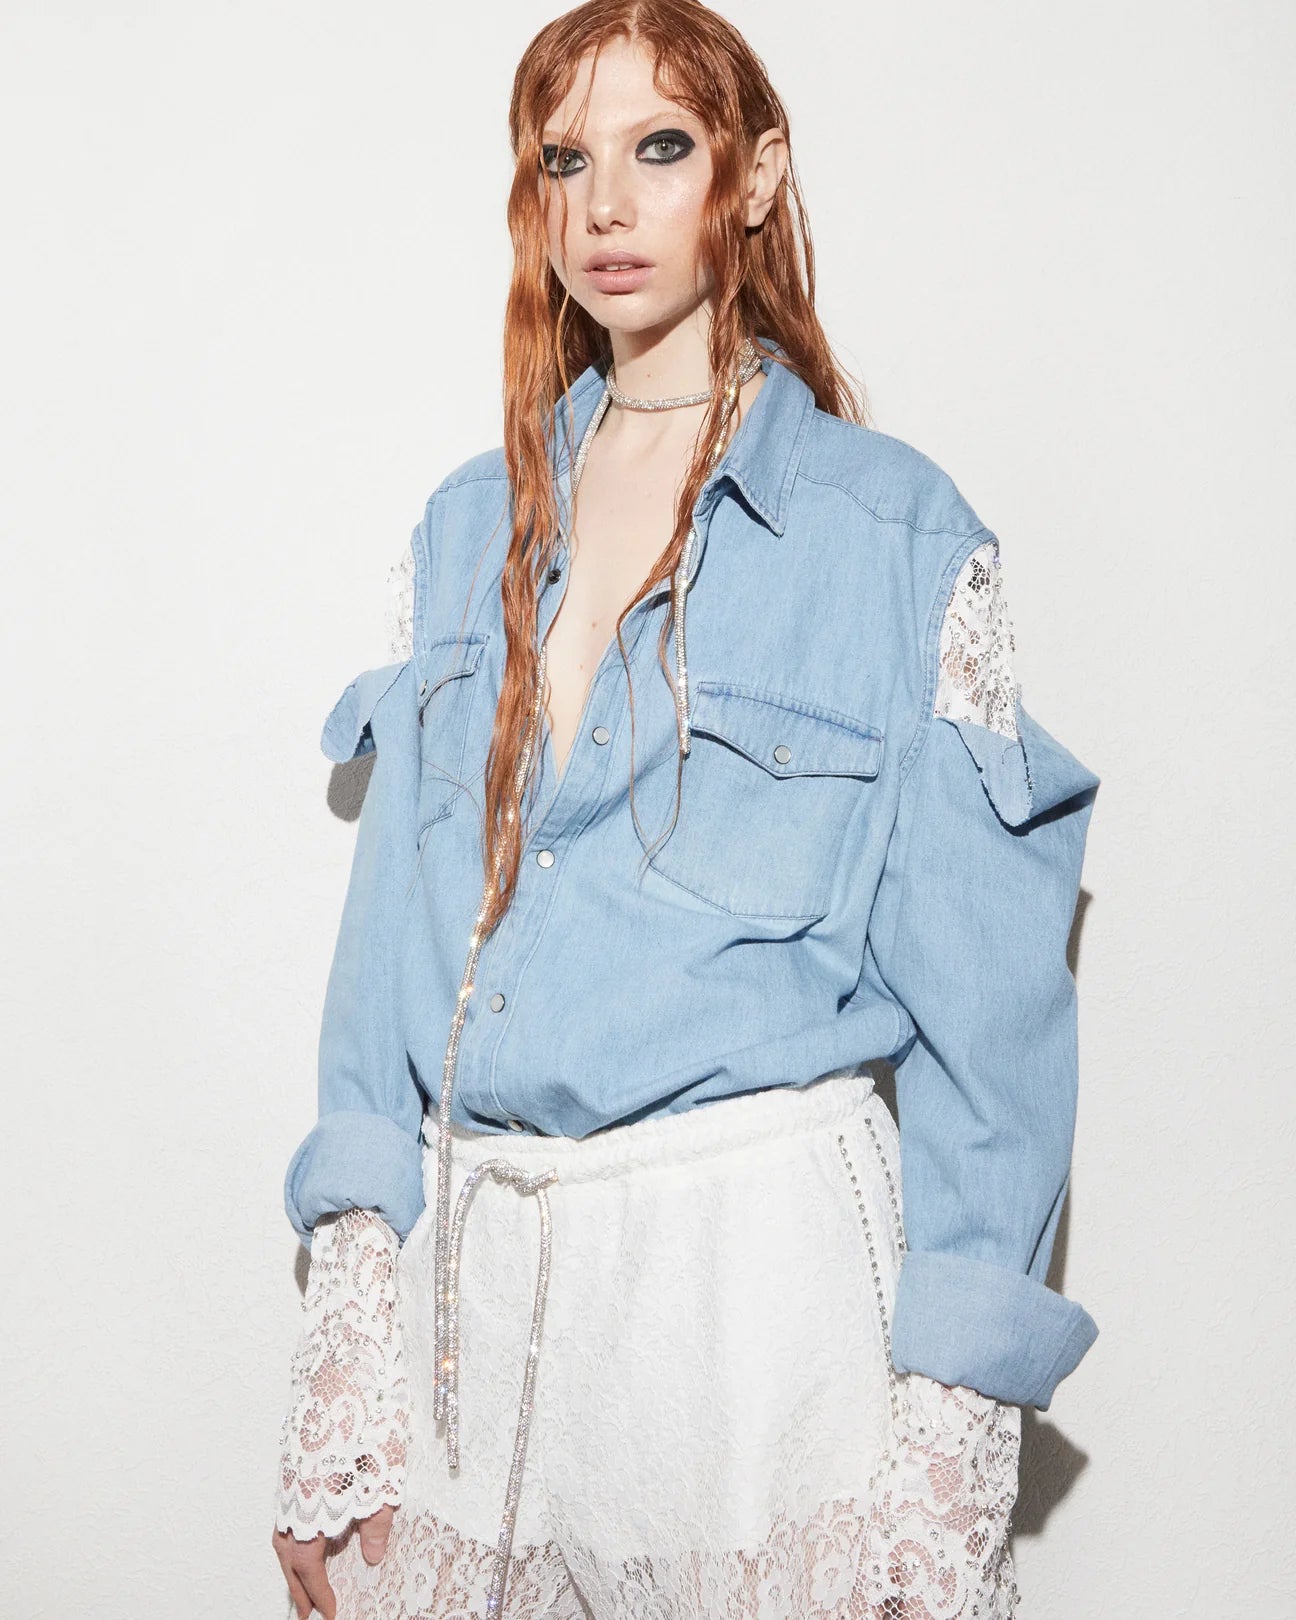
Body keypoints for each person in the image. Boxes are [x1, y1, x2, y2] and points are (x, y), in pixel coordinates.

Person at [270, 3, 1101, 1616]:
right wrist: (345, 1348)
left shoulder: (896, 537)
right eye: (562, 159)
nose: (605, 205)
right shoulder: (466, 527)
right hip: (478, 1308)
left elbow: (993, 1032)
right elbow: (386, 956)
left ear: (755, 173)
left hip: (760, 1317)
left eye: (660, 148)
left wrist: (948, 1444)